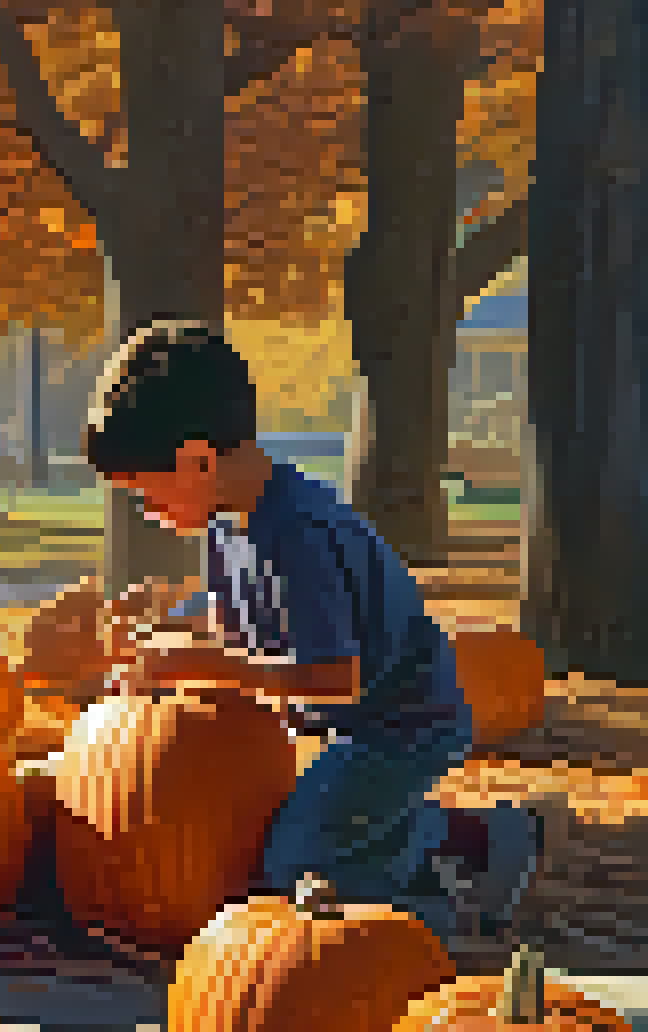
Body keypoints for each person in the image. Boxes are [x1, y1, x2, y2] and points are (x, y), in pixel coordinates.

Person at [88, 318, 538, 940]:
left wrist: (199, 664)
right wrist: (172, 619)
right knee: (320, 822)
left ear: (197, 458)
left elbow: (333, 677)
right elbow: (241, 615)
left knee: (298, 868)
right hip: (349, 729)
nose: (144, 510)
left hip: (398, 727)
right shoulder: (226, 520)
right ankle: (447, 834)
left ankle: (434, 910)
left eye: (144, 491)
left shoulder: (296, 533)